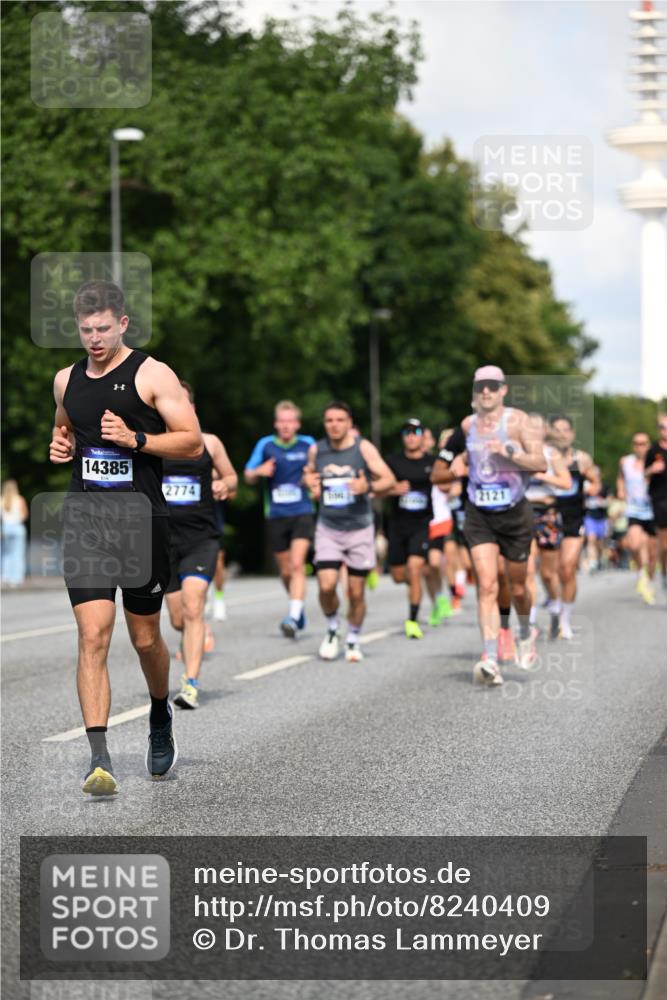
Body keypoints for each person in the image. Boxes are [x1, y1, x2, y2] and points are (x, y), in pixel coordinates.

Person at [49, 280, 203, 795]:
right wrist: (61, 445)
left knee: (144, 638)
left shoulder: (152, 374)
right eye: (85, 330)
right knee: (93, 635)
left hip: (142, 524)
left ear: (122, 324)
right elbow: (65, 427)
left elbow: (191, 442)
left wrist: (136, 439)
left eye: (102, 329)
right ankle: (99, 757)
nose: (94, 339)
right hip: (87, 523)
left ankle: (160, 712)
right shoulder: (65, 380)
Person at [431, 366, 546, 685]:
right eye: (481, 386)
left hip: (515, 513)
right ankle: (490, 658)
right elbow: (437, 473)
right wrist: (454, 471)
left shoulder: (519, 422)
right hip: (479, 514)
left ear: (503, 390)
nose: (486, 391)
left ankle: (525, 631)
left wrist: (508, 451)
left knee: (518, 587)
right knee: (487, 585)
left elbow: (540, 463)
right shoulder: (466, 427)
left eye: (492, 386)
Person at [164, 381, 237, 709]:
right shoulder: (152, 443)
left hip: (201, 539)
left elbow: (232, 478)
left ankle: (190, 683)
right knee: (178, 619)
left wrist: (225, 485)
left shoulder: (209, 442)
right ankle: (196, 631)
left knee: (194, 606)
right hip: (163, 542)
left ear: (191, 408)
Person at [303, 401, 395, 662]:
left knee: (356, 592)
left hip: (359, 528)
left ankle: (353, 638)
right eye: (329, 420)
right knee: (326, 586)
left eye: (340, 420)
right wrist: (309, 481)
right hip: (328, 527)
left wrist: (367, 487)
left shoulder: (363, 447)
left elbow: (389, 479)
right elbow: (308, 473)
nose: (334, 425)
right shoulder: (317, 449)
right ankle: (333, 628)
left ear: (349, 423)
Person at [245, 401, 315, 638]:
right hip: (276, 514)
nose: (286, 426)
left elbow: (319, 470)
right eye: (282, 421)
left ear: (297, 424)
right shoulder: (265, 445)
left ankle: (293, 616)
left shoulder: (308, 444)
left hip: (302, 511)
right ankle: (298, 607)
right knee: (285, 571)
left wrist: (312, 479)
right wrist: (259, 471)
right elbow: (248, 475)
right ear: (276, 424)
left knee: (297, 564)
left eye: (290, 421)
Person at [549, 415, 601, 639]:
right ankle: (553, 604)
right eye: (557, 430)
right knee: (548, 573)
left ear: (572, 434)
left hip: (574, 518)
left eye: (565, 430)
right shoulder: (544, 457)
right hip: (549, 518)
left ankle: (565, 621)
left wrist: (592, 488)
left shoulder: (582, 459)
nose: (561, 434)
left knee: (567, 568)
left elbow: (596, 481)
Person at [385, 419, 434, 639]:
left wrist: (451, 488)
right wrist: (392, 489)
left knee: (414, 569)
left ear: (423, 436)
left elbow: (448, 481)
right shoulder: (392, 461)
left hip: (421, 524)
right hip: (397, 524)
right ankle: (414, 584)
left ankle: (412, 620)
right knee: (398, 576)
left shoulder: (432, 462)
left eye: (416, 432)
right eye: (407, 432)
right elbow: (377, 487)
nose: (412, 436)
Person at [617, 431, 656, 605]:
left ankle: (649, 581)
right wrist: (621, 490)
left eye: (643, 443)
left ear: (649, 445)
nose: (640, 447)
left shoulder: (656, 462)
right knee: (634, 544)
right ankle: (641, 572)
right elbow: (620, 478)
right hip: (634, 509)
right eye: (636, 443)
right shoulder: (625, 462)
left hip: (652, 510)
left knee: (652, 553)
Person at [645, 414, 667, 593]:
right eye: (662, 427)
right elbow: (644, 473)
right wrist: (652, 469)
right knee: (665, 545)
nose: (665, 430)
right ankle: (665, 573)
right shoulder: (653, 450)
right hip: (659, 498)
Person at [1, 480, 29, 586]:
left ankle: (5, 576)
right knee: (17, 553)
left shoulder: (1, 500)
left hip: (5, 528)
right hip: (17, 527)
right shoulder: (20, 499)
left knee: (5, 553)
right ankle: (16, 578)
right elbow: (24, 515)